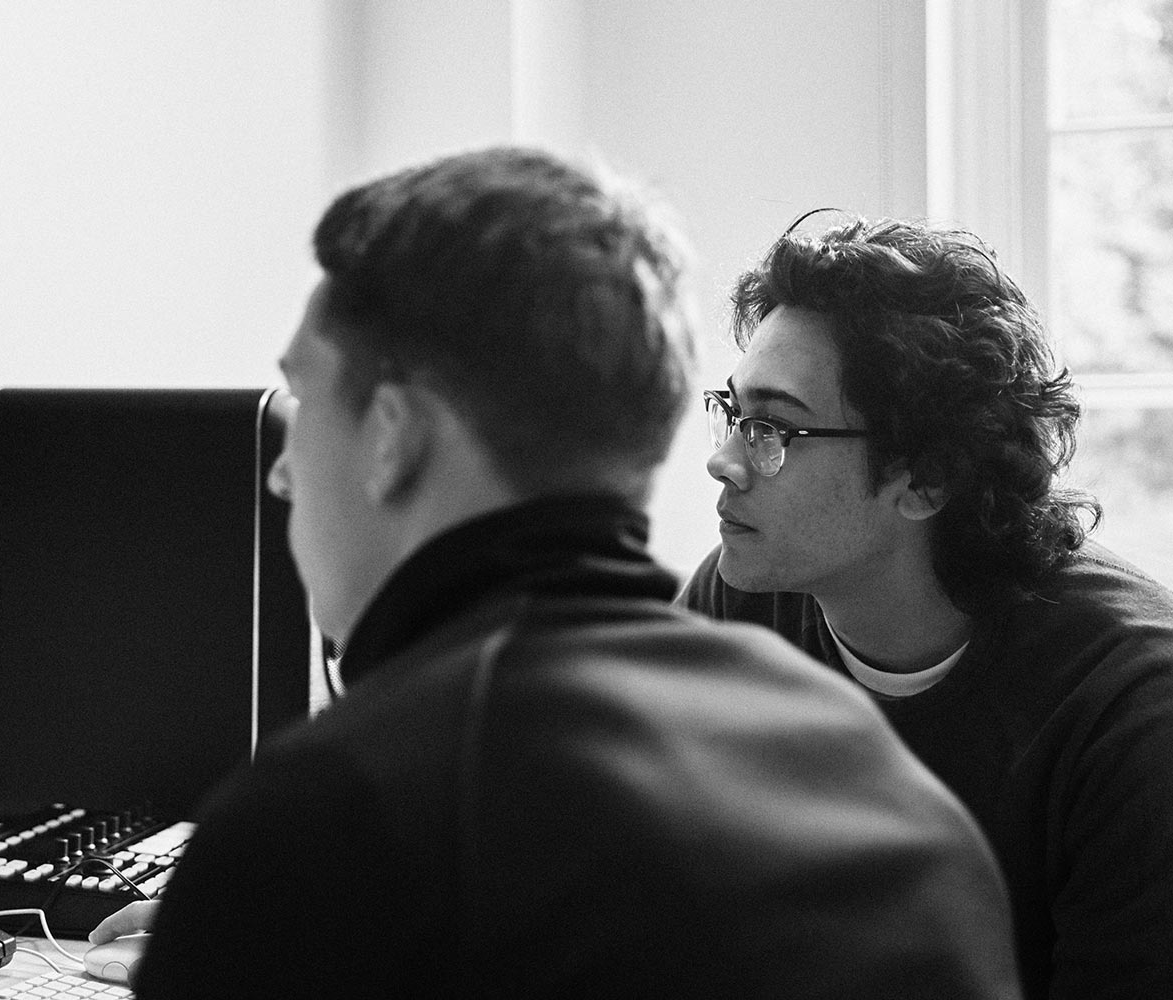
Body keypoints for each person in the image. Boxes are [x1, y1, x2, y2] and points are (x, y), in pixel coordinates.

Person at [91, 149, 1022, 997]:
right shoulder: (870, 775)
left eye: (305, 399)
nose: (282, 470)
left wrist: (250, 930)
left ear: (393, 436)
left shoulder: (320, 831)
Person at [678, 211, 1173, 999]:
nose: (724, 460)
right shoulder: (738, 604)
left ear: (926, 478)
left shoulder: (1130, 712)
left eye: (772, 428)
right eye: (733, 413)